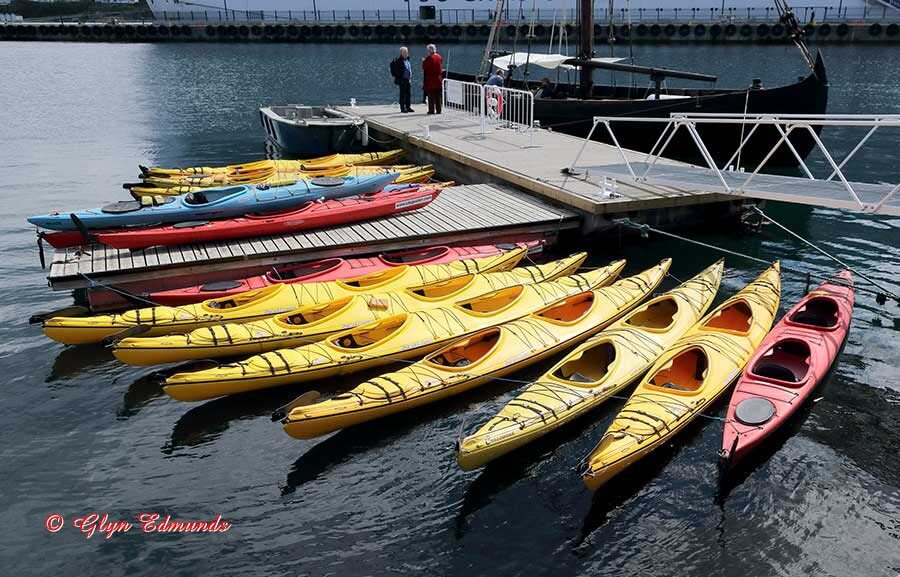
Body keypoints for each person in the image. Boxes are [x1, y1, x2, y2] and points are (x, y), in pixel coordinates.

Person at [390, 46, 414, 113]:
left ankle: (408, 107)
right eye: (404, 52)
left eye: (407, 52)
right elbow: (397, 71)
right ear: (401, 53)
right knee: (402, 94)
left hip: (408, 79)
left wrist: (410, 77)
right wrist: (399, 77)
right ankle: (403, 108)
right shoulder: (399, 61)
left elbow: (409, 69)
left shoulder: (407, 60)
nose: (406, 53)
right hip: (402, 80)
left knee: (408, 94)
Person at [422, 44, 443, 115]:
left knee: (431, 96)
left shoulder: (429, 58)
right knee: (438, 96)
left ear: (429, 51)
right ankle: (439, 110)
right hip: (439, 79)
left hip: (431, 80)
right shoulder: (439, 57)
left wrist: (424, 61)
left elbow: (424, 67)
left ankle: (431, 110)